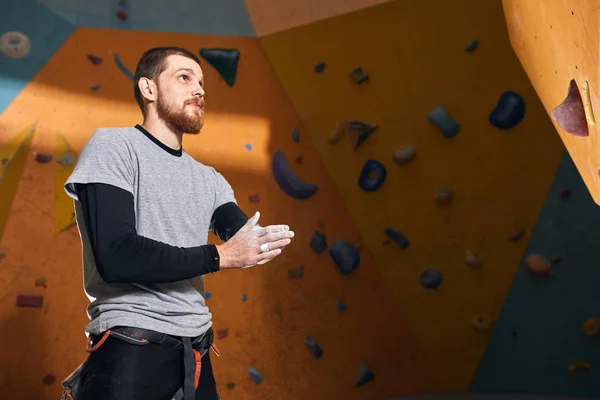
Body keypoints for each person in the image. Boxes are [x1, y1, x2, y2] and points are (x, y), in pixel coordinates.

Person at [59, 46, 295, 400]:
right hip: (130, 342)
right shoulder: (113, 147)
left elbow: (238, 230)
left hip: (197, 351)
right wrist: (221, 257)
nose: (199, 90)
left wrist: (259, 239)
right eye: (184, 78)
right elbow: (116, 254)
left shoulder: (209, 178)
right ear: (148, 89)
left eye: (201, 82)